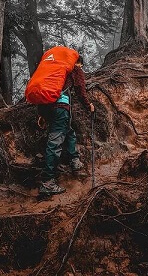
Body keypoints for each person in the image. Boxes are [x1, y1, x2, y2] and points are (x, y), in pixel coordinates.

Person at [38, 55, 94, 196]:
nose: (81, 68)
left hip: (50, 108)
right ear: (78, 61)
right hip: (62, 108)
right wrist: (88, 106)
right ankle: (47, 182)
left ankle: (74, 160)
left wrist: (42, 114)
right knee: (55, 143)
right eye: (81, 65)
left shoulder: (54, 73)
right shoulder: (74, 68)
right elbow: (80, 89)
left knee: (69, 131)